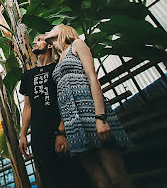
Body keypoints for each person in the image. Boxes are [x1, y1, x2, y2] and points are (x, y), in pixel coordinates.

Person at [45, 24, 134, 188]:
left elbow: (92, 77)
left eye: (53, 28)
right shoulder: (57, 62)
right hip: (73, 124)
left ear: (65, 30)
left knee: (117, 177)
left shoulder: (77, 45)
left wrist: (100, 117)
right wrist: (61, 132)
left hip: (91, 113)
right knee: (100, 183)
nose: (47, 31)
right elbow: (64, 99)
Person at [19, 34, 87, 188]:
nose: (35, 42)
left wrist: (62, 132)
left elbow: (67, 99)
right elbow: (27, 107)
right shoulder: (27, 76)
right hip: (38, 136)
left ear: (49, 45)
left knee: (73, 175)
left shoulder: (58, 67)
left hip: (61, 130)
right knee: (49, 178)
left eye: (39, 39)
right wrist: (23, 134)